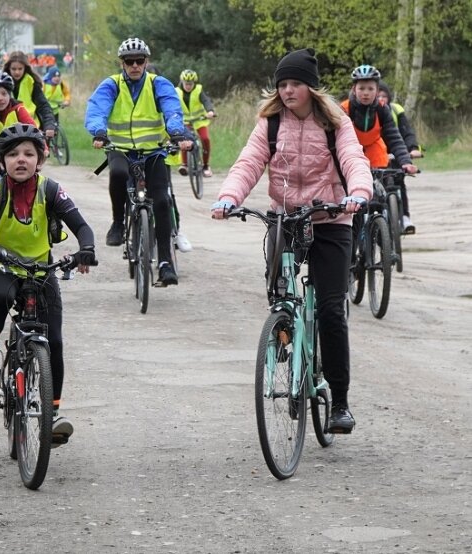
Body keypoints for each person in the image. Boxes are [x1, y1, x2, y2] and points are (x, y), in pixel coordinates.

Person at [210, 48, 374, 434]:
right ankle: (284, 328)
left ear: (311, 88)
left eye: (294, 84)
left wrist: (359, 192)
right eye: (281, 84)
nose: (286, 91)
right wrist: (229, 196)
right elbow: (249, 162)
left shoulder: (335, 123)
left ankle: (340, 402)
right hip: (286, 217)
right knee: (280, 291)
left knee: (332, 310)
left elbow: (353, 159)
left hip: (332, 218)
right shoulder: (270, 123)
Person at [0, 123, 97, 443]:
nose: (20, 160)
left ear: (40, 159)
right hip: (3, 265)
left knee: (56, 341)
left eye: (28, 154)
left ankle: (51, 414)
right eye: (12, 154)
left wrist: (86, 251)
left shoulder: (50, 189)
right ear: (2, 162)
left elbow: (81, 225)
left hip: (41, 270)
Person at [85, 37, 193, 285]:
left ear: (147, 61)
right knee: (119, 175)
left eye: (139, 61)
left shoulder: (159, 84)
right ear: (122, 63)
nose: (134, 65)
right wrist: (98, 131)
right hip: (120, 148)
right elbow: (97, 109)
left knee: (163, 201)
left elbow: (172, 109)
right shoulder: (111, 85)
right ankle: (117, 223)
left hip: (153, 151)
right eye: (129, 61)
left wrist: (177, 132)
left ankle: (165, 261)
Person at [341, 65, 419, 233]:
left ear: (377, 90)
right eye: (361, 88)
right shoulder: (345, 109)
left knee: (379, 195)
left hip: (375, 151)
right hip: (352, 151)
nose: (366, 93)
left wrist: (405, 161)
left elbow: (394, 136)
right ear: (354, 89)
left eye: (370, 88)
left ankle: (384, 231)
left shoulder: (382, 109)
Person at [3, 50, 56, 137]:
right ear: (8, 68)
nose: (17, 72)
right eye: (14, 69)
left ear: (25, 68)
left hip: (30, 128)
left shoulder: (32, 82)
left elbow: (43, 105)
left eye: (20, 69)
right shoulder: (1, 82)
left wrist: (49, 125)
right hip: (7, 130)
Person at [175, 69, 216, 178]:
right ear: (182, 82)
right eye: (186, 84)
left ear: (194, 83)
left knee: (205, 139)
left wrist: (210, 111)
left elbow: (206, 101)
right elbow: (172, 105)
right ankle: (184, 164)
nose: (188, 86)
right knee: (184, 140)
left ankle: (206, 166)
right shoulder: (176, 92)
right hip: (184, 122)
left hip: (199, 121)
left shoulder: (198, 90)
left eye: (190, 84)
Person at [0, 71, 36, 138]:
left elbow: (35, 132)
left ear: (10, 96)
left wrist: (44, 148)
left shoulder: (18, 109)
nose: (0, 98)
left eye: (4, 94)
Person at [377, 81, 423, 159]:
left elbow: (407, 132)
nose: (381, 99)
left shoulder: (396, 110)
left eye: (384, 96)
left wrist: (413, 148)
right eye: (377, 96)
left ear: (389, 97)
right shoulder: (364, 112)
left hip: (395, 155)